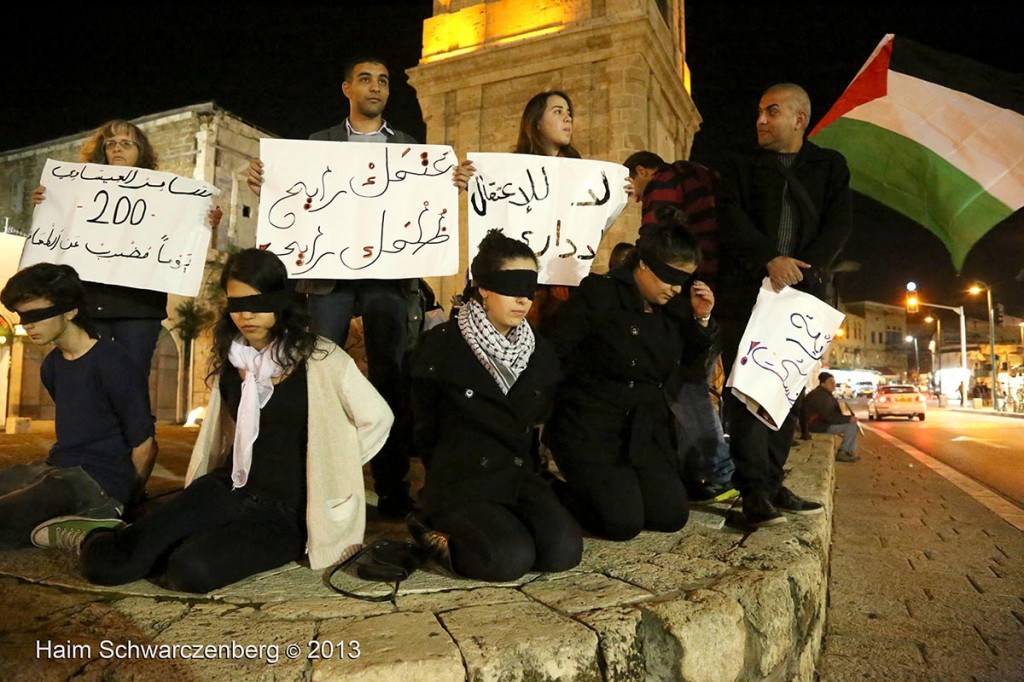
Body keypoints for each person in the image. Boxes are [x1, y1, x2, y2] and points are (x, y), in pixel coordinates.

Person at [32, 249, 394, 593]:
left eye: (256, 303)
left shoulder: (321, 358)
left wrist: (336, 468)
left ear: (280, 300)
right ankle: (95, 532)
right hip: (230, 486)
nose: (245, 315)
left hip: (287, 512)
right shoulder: (234, 361)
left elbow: (378, 418)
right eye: (237, 305)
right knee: (110, 565)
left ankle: (184, 545)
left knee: (190, 570)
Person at [247, 56, 421, 518]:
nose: (376, 87)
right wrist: (266, 186)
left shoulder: (408, 147)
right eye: (366, 79)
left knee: (390, 381)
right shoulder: (316, 144)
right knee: (320, 375)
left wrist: (451, 183)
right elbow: (295, 198)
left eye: (383, 81)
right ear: (347, 88)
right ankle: (312, 480)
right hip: (329, 281)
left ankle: (392, 487)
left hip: (387, 278)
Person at [32, 119, 222, 497]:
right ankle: (90, 469)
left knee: (131, 390)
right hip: (90, 305)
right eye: (112, 143)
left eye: (127, 144)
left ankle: (130, 484)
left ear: (141, 154)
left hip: (138, 309)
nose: (118, 149)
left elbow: (184, 240)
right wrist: (47, 204)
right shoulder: (78, 190)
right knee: (85, 386)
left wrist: (206, 225)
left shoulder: (167, 197)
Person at [405, 230, 581, 581]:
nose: (523, 299)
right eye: (510, 285)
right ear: (483, 287)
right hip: (461, 478)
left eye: (529, 288)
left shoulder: (539, 352)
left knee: (563, 551)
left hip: (515, 474)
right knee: (506, 559)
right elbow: (423, 424)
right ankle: (431, 532)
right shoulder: (441, 346)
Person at [717, 83, 853, 527]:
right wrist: (769, 259)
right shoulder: (739, 166)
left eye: (770, 111)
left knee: (787, 394)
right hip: (747, 298)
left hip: (802, 300)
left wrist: (806, 271)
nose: (760, 120)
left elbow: (839, 223)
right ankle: (753, 491)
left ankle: (773, 484)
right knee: (746, 396)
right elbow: (730, 219)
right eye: (758, 111)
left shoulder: (830, 166)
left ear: (799, 118)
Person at [542, 221, 717, 541]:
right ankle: (549, 490)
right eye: (670, 277)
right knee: (622, 523)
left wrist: (700, 320)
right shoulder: (599, 293)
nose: (676, 288)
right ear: (643, 264)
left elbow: (690, 370)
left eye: (684, 280)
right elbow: (554, 350)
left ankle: (620, 490)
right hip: (590, 426)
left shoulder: (674, 308)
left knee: (670, 515)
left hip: (644, 430)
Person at [0, 263, 154, 549]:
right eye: (23, 317)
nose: (28, 324)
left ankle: (101, 517)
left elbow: (144, 443)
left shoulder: (112, 361)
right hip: (55, 468)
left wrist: (124, 499)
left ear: (71, 311)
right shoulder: (52, 366)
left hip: (94, 482)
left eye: (37, 315)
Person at [624, 150, 737, 503]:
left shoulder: (663, 181)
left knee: (684, 384)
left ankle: (716, 472)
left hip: (683, 295)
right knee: (697, 381)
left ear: (643, 170)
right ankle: (701, 472)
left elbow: (657, 242)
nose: (633, 194)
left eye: (633, 184)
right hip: (715, 290)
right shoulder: (703, 174)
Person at [802, 373, 860, 462]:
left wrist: (847, 418)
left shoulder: (825, 394)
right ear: (823, 384)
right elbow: (828, 416)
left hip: (820, 423)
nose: (833, 384)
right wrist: (847, 419)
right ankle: (843, 452)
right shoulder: (821, 396)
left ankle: (849, 451)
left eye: (834, 382)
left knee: (852, 425)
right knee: (851, 427)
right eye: (830, 382)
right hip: (816, 425)